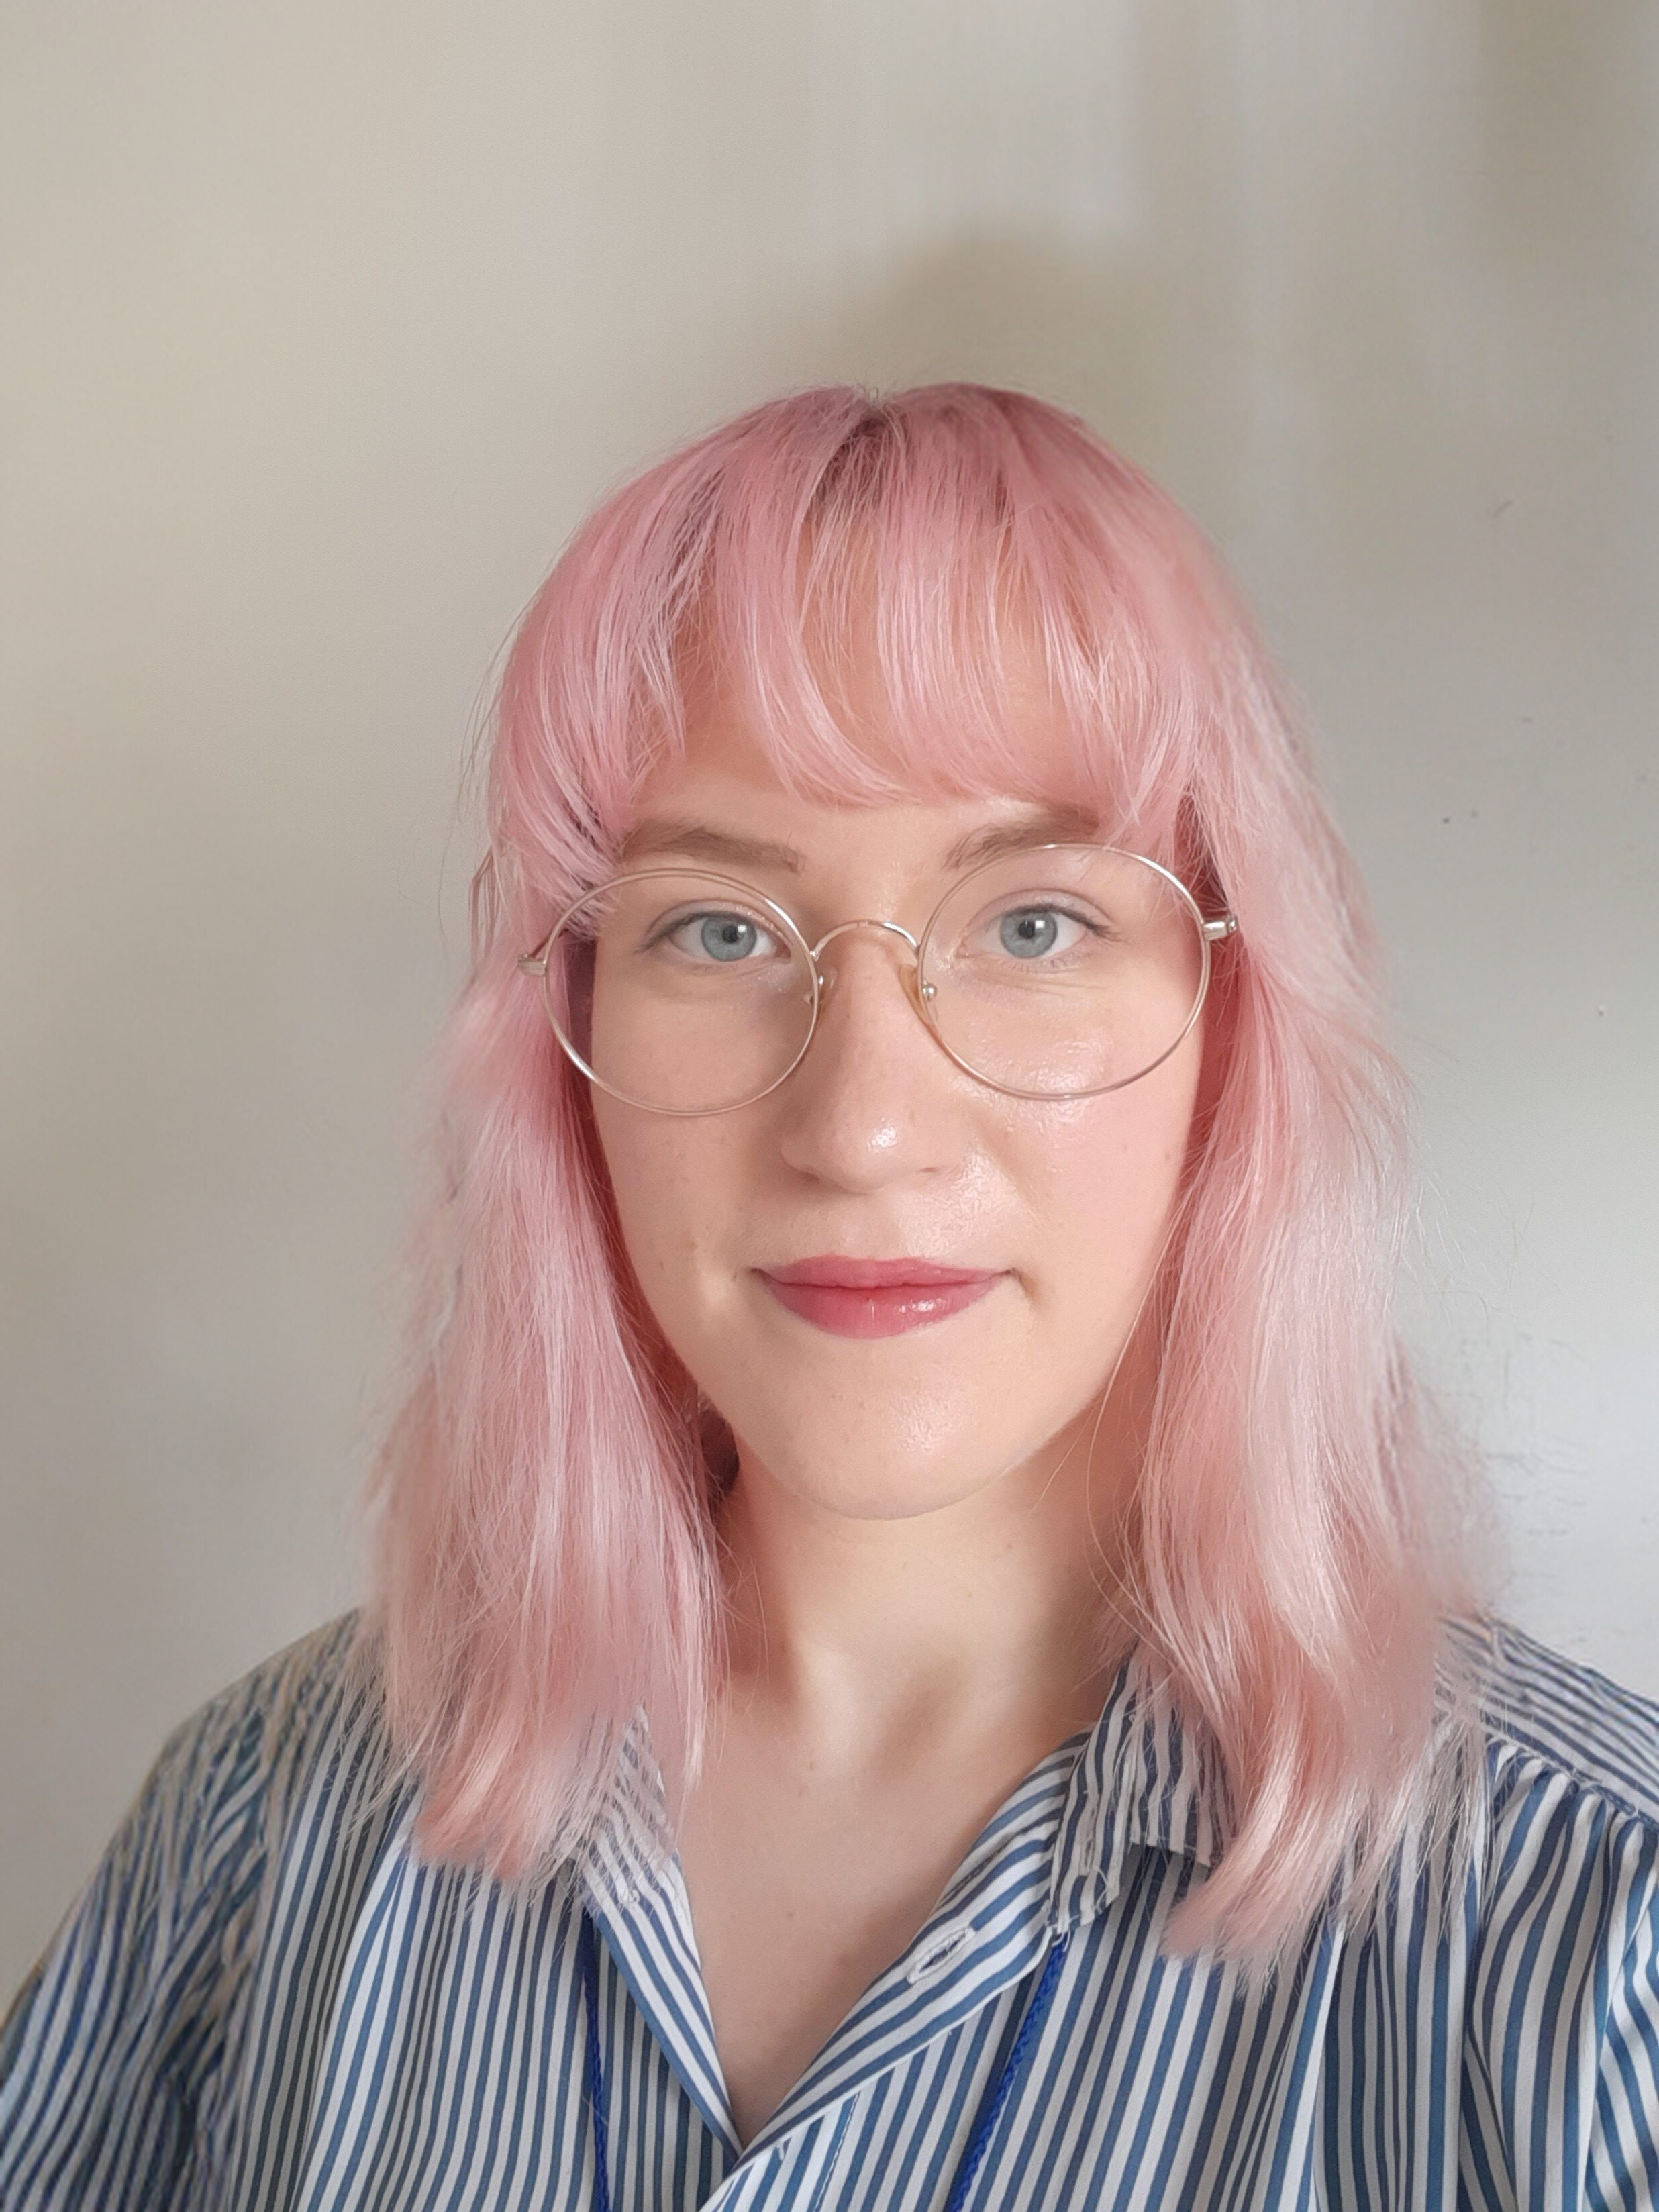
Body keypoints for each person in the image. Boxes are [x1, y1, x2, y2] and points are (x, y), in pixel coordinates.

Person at [2, 384, 1656, 2211]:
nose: (862, 1127)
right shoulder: (252, 1836)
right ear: (567, 1043)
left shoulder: (1602, 1946)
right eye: (718, 930)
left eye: (1034, 923)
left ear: (1233, 1034)